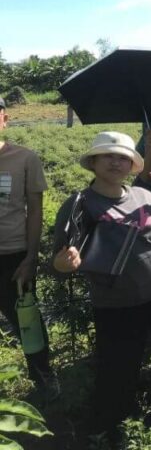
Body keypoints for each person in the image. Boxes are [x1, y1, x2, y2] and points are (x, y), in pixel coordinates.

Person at [52, 132, 151, 437]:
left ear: (132, 165)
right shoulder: (80, 204)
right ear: (94, 162)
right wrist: (64, 264)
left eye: (123, 157)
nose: (116, 162)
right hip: (117, 304)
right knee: (118, 370)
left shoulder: (144, 195)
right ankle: (108, 429)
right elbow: (59, 260)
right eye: (108, 156)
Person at [0, 96, 58, 398]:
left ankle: (43, 377)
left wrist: (31, 257)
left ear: (5, 119)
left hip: (13, 255)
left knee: (27, 320)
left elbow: (35, 210)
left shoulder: (25, 158)